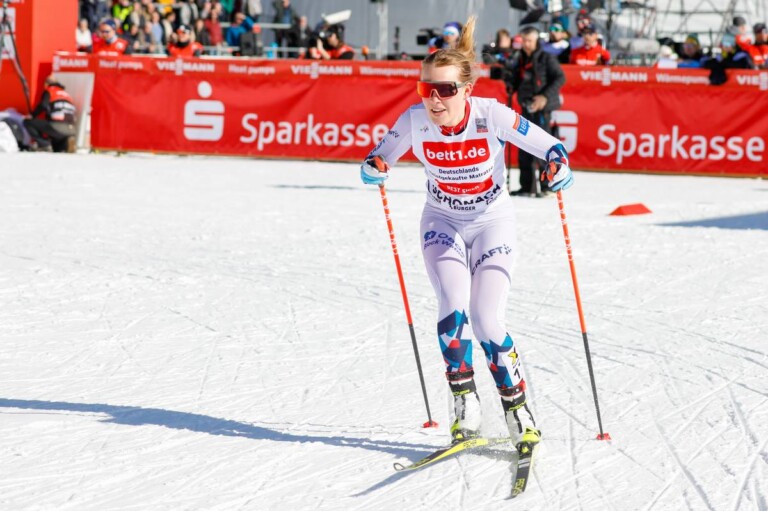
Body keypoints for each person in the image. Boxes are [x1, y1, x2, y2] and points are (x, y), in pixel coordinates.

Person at [359, 15, 573, 450]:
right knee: (454, 309)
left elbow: (550, 145)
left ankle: (518, 410)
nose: (435, 100)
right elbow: (377, 157)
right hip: (442, 222)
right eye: (426, 89)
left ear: (467, 90)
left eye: (446, 90)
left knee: (487, 319)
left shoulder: (490, 115)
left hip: (492, 222)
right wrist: (373, 167)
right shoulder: (414, 120)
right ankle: (466, 404)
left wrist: (558, 165)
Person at [507, 25, 566, 197]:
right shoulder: (519, 59)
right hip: (526, 106)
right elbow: (516, 80)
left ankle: (547, 186)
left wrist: (545, 97)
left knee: (543, 146)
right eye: (523, 40)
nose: (526, 44)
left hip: (542, 108)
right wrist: (510, 82)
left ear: (536, 41)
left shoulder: (546, 58)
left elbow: (560, 77)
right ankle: (527, 187)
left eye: (529, 41)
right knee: (523, 146)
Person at [23, 75, 77, 153]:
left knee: (28, 122)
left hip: (57, 126)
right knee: (57, 149)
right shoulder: (66, 94)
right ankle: (66, 141)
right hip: (71, 128)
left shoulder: (49, 91)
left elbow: (43, 105)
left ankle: (44, 144)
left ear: (46, 83)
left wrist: (32, 115)